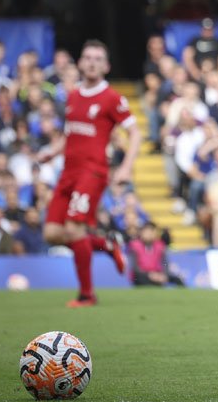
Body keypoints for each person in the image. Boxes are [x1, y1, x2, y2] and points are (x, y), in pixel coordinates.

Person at [40, 40, 142, 307]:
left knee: (74, 227)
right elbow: (70, 132)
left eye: (98, 58)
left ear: (106, 66)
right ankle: (105, 245)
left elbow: (135, 132)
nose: (92, 62)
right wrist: (53, 151)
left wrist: (126, 167)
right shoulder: (72, 95)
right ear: (81, 62)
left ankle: (87, 294)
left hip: (93, 172)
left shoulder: (112, 98)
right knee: (51, 233)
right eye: (87, 57)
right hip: (68, 172)